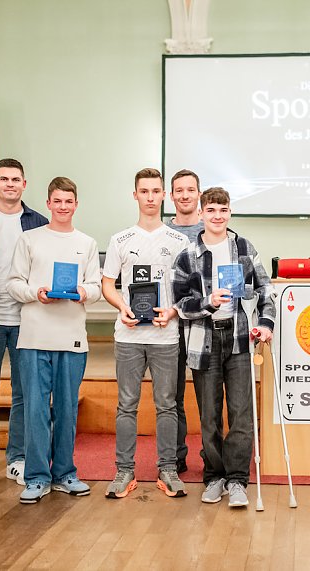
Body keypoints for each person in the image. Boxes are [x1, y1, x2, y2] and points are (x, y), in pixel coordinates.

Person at [172, 187, 275, 508]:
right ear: (201, 214)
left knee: (242, 413)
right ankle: (214, 476)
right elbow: (180, 304)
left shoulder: (243, 247)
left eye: (223, 210)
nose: (218, 216)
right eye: (212, 210)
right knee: (210, 414)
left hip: (240, 339)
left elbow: (265, 289)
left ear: (229, 213)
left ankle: (238, 479)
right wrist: (208, 301)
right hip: (203, 340)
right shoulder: (187, 255)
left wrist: (266, 324)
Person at [6, 176, 102, 504]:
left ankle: (64, 474)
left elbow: (97, 287)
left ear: (76, 204)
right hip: (34, 338)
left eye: (68, 201)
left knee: (66, 410)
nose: (63, 207)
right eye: (57, 201)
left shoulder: (86, 243)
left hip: (72, 340)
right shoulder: (30, 239)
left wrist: (81, 292)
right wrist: (37, 293)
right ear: (48, 204)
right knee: (35, 410)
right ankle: (36, 477)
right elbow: (14, 284)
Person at [102, 168, 189, 499]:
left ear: (163, 195)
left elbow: (188, 288)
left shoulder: (179, 241)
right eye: (144, 191)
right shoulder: (120, 240)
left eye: (156, 191)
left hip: (166, 337)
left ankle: (167, 469)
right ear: (135, 195)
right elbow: (108, 284)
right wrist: (122, 307)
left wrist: (173, 311)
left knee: (167, 404)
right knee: (126, 405)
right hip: (128, 338)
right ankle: (124, 471)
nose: (150, 197)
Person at [0, 158, 48, 490]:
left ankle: (17, 459)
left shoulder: (39, 223)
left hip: (26, 319)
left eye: (16, 179)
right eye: (4, 179)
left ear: (24, 185)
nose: (10, 184)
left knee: (23, 394)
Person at [165, 169, 204, 473]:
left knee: (209, 396)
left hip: (205, 326)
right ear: (171, 195)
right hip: (172, 326)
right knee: (173, 395)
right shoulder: (163, 233)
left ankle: (211, 458)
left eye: (190, 190)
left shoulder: (214, 230)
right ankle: (176, 456)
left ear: (199, 194)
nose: (185, 195)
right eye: (179, 190)